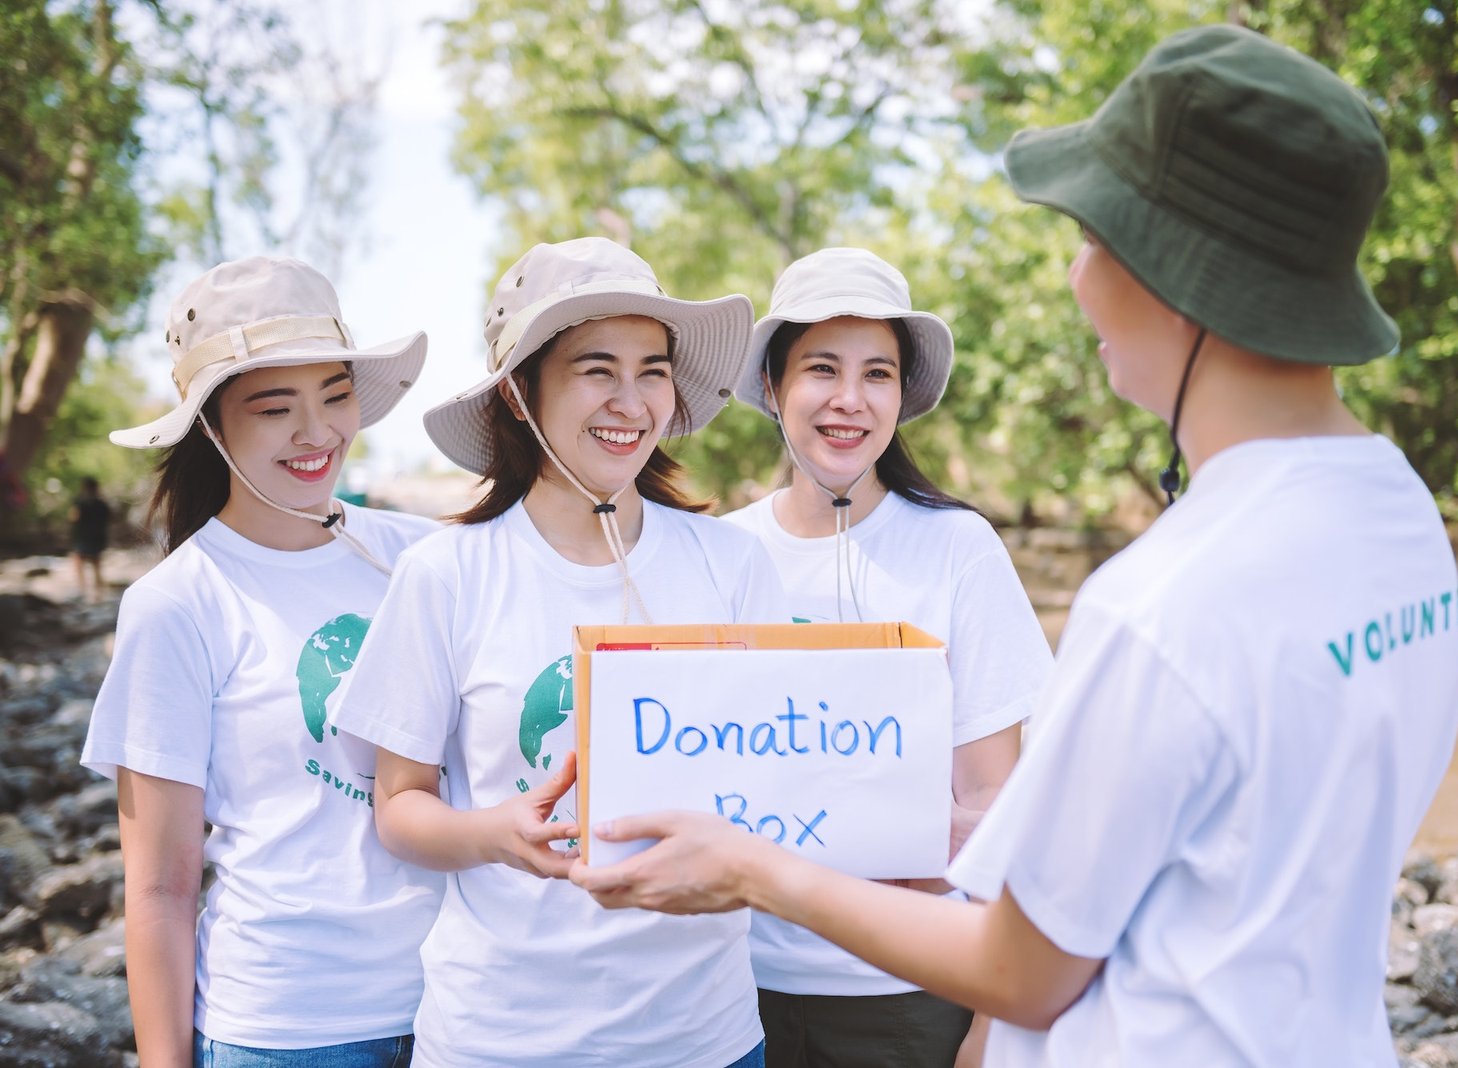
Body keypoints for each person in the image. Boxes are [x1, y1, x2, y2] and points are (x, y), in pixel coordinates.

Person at [569, 24, 1458, 1067]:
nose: (1080, 278)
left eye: (1091, 235)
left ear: (1169, 272)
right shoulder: (1398, 513)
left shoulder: (1165, 604)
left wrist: (756, 870)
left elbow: (1026, 973)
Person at [328, 237, 782, 1068]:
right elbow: (400, 809)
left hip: (704, 1038)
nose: (632, 399)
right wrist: (497, 834)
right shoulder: (446, 573)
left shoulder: (734, 563)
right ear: (520, 394)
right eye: (595, 367)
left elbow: (775, 773)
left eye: (652, 369)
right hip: (501, 1038)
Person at [81, 256, 442, 1066]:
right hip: (285, 1030)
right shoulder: (177, 604)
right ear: (211, 424)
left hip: (460, 1011)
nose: (316, 434)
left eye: (336, 396)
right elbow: (161, 888)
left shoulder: (424, 559)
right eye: (275, 407)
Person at [722, 246, 1052, 1066]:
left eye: (877, 374)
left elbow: (993, 804)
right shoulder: (721, 554)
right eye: (821, 368)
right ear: (773, 386)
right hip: (730, 996)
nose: (848, 400)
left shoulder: (957, 548)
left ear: (902, 395)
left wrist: (989, 1023)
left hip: (905, 993)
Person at [69, 475, 112, 601]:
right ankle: (99, 593)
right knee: (96, 566)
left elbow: (73, 517)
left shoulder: (80, 502)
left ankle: (82, 590)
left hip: (82, 538)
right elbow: (110, 518)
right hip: (97, 537)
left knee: (79, 564)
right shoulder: (102, 503)